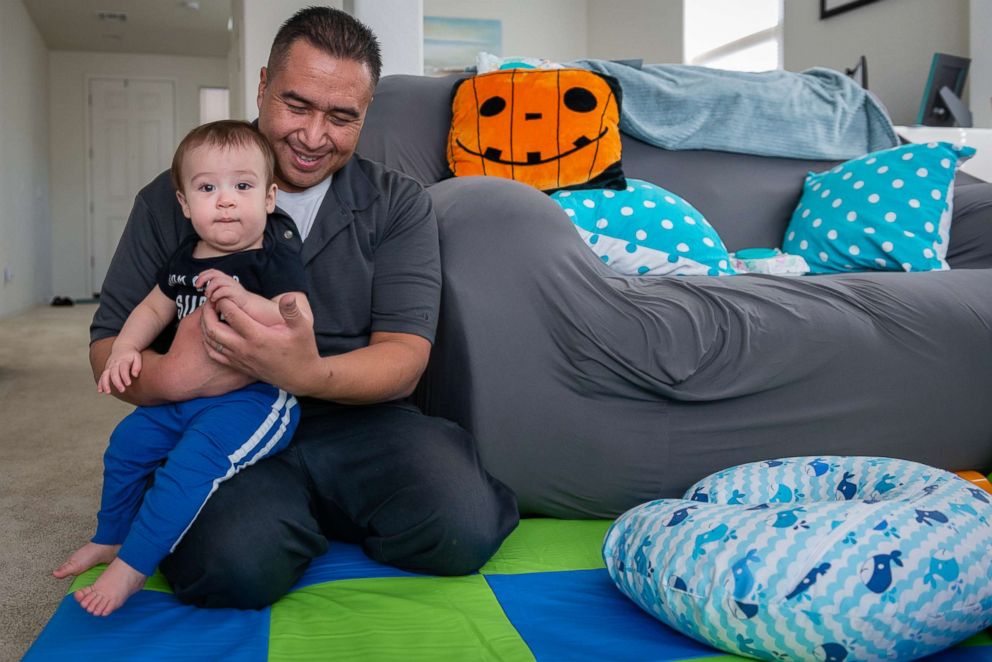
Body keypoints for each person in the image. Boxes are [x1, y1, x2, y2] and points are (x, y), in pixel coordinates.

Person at [79, 6, 519, 610]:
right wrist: (170, 377)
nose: (314, 137)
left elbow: (404, 356)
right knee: (231, 568)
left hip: (354, 415)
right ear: (262, 86)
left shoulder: (398, 204)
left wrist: (307, 374)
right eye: (297, 106)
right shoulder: (175, 196)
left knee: (461, 527)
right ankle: (272, 515)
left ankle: (310, 512)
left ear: (366, 115)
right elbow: (108, 345)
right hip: (218, 417)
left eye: (342, 118)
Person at [54, 120, 313, 616]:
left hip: (254, 401)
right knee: (127, 445)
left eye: (243, 186)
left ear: (269, 198)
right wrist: (126, 350)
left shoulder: (271, 259)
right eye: (207, 188)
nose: (225, 200)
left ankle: (130, 569)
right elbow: (153, 309)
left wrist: (245, 300)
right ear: (184, 204)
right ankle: (111, 536)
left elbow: (297, 318)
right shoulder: (184, 258)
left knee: (189, 468)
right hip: (184, 398)